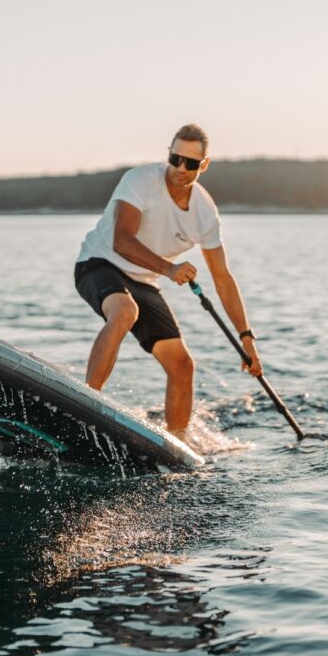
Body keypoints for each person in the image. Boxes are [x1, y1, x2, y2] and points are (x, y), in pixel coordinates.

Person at [74, 123, 263, 440]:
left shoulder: (205, 213)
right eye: (176, 159)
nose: (180, 168)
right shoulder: (141, 180)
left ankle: (176, 446)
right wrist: (170, 269)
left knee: (182, 365)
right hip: (99, 263)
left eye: (191, 164)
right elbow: (122, 240)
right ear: (169, 154)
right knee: (124, 312)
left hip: (144, 280)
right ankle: (83, 405)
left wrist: (246, 337)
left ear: (204, 165)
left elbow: (223, 278)